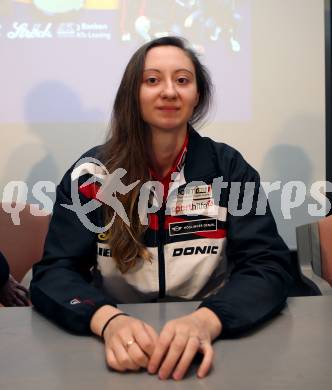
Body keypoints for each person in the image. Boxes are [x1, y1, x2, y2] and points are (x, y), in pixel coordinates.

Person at [30, 36, 294, 380]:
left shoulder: (228, 168)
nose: (169, 91)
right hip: (115, 342)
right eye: (152, 80)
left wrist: (206, 320)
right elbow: (56, 272)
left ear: (197, 94)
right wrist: (108, 321)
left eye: (182, 80)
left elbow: (268, 265)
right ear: (132, 94)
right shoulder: (91, 174)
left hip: (216, 337)